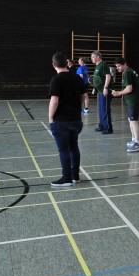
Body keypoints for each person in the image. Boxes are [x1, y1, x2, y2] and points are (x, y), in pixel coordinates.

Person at [48, 52, 87, 186]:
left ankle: (67, 178)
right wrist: (77, 107)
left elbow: (54, 101)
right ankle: (75, 176)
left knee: (64, 150)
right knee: (74, 147)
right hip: (76, 120)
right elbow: (84, 96)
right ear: (67, 63)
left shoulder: (56, 80)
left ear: (54, 65)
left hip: (61, 121)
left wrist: (51, 117)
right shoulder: (77, 78)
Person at [112, 57, 139, 153]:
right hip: (132, 99)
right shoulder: (129, 71)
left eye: (119, 66)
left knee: (134, 121)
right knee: (130, 119)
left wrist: (118, 93)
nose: (117, 68)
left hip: (134, 100)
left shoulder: (127, 73)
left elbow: (129, 89)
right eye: (116, 66)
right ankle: (134, 139)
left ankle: (137, 143)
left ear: (124, 64)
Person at [91, 51, 113, 134]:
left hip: (105, 91)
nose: (91, 58)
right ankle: (102, 126)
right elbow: (97, 79)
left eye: (93, 57)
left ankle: (108, 128)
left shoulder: (103, 64)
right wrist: (95, 88)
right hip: (100, 91)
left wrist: (106, 88)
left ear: (98, 57)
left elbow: (108, 76)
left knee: (105, 109)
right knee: (101, 109)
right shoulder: (97, 66)